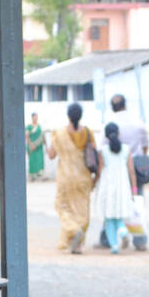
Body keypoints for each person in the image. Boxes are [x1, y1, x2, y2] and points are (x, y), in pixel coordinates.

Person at [95, 94, 149, 249]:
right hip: (135, 170)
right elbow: (145, 146)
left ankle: (107, 240)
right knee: (136, 204)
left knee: (111, 204)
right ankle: (140, 240)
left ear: (112, 108)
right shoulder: (138, 122)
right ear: (125, 104)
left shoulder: (109, 124)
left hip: (113, 173)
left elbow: (103, 150)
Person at [46, 102, 95, 253]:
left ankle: (73, 230)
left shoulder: (59, 133)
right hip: (83, 177)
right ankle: (76, 244)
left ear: (68, 116)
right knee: (82, 210)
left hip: (65, 178)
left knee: (62, 206)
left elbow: (51, 155)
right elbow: (94, 154)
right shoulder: (87, 132)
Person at [95, 122, 138, 254]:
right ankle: (123, 231)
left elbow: (100, 170)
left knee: (109, 217)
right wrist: (134, 188)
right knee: (119, 216)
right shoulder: (126, 149)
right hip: (123, 185)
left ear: (106, 136)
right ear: (118, 134)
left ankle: (114, 246)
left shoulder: (103, 151)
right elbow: (131, 170)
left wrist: (94, 184)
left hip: (107, 185)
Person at [26, 112, 45, 181]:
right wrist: (31, 145)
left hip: (39, 147)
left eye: (36, 117)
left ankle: (41, 175)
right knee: (32, 161)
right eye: (34, 117)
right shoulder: (29, 126)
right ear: (32, 118)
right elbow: (27, 136)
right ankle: (32, 176)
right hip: (32, 146)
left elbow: (42, 136)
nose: (35, 118)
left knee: (40, 160)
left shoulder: (39, 126)